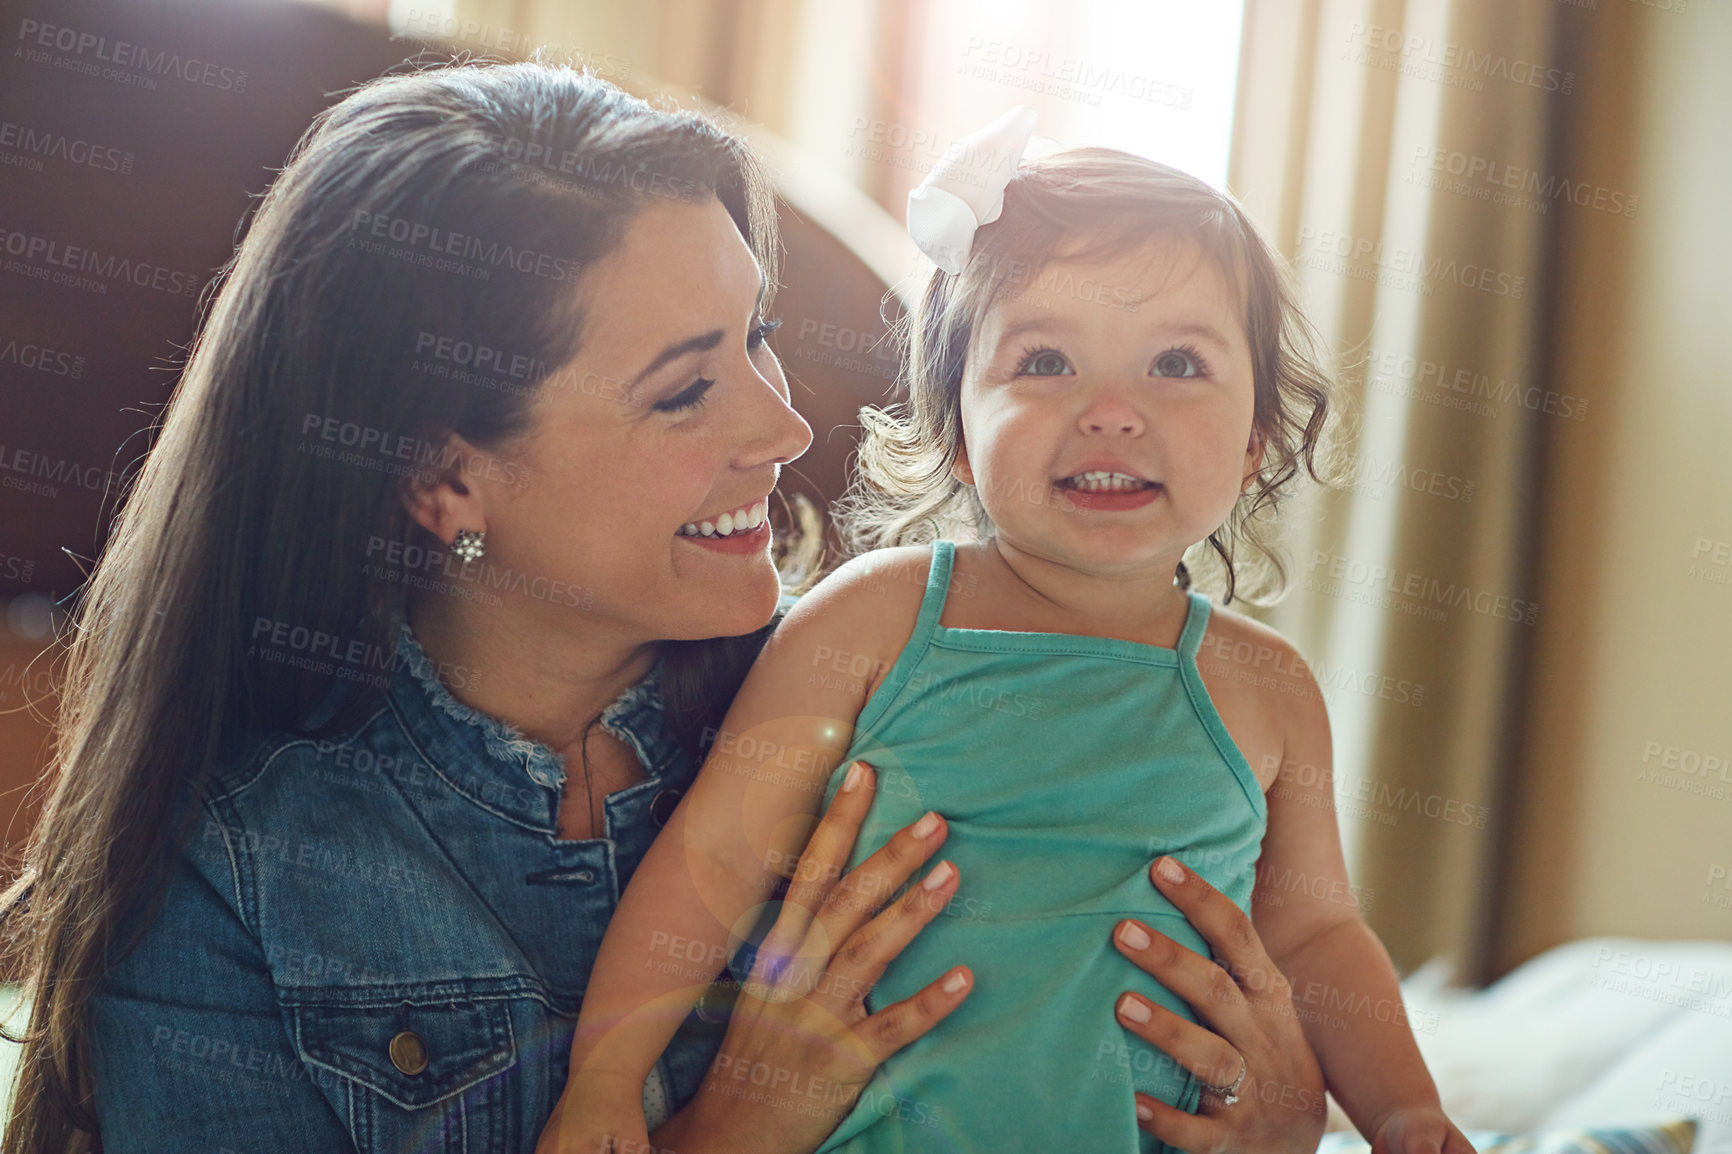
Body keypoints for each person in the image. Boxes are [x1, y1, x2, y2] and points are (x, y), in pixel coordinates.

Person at [0, 65, 1332, 1154]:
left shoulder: (897, 695)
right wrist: (734, 1126)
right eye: (686, 389)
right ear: (446, 476)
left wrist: (1278, 1127)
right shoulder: (235, 886)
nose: (785, 422)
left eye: (759, 333)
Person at [549, 116, 1476, 1154]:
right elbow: (714, 856)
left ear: (1257, 434)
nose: (1112, 411)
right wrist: (606, 1079)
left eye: (1177, 361)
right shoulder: (876, 617)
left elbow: (1314, 935)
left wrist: (1403, 1109)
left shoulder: (1268, 689)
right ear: (954, 418)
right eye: (1044, 361)